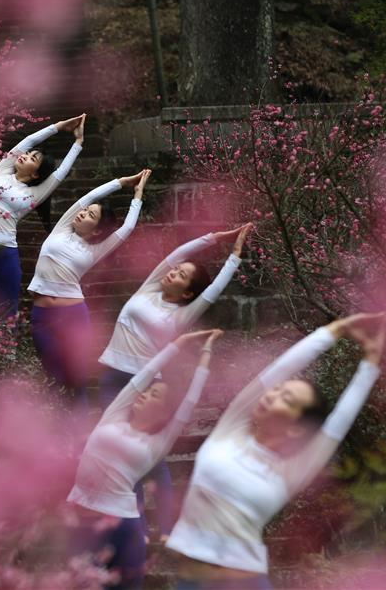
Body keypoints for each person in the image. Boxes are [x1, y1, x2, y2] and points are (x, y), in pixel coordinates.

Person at [165, 312, 386, 590]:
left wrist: (370, 362)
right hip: (190, 581)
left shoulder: (292, 470)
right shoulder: (229, 432)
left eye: (287, 399)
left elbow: (339, 423)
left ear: (296, 428)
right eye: (277, 390)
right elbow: (278, 370)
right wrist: (335, 329)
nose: (272, 394)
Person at [96, 223, 252, 541]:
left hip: (145, 384)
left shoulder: (182, 314)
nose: (173, 274)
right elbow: (175, 256)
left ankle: (167, 528)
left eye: (181, 277)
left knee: (151, 457)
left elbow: (212, 291)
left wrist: (234, 257)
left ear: (187, 294)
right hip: (112, 379)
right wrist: (212, 239)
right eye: (176, 272)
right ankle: (136, 527)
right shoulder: (149, 288)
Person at [67, 329, 224, 590]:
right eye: (147, 392)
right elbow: (141, 379)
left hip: (124, 528)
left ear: (164, 413)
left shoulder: (156, 444)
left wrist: (206, 353)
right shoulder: (115, 415)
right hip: (84, 519)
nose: (143, 394)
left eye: (154, 396)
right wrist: (178, 344)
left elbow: (190, 401)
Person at [28, 169, 152, 408]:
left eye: (89, 215)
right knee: (55, 377)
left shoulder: (95, 250)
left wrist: (138, 195)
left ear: (96, 230)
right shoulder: (62, 228)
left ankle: (79, 434)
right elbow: (86, 198)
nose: (82, 213)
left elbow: (126, 229)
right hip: (42, 316)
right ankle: (58, 432)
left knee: (79, 379)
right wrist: (120, 181)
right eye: (85, 211)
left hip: (72, 314)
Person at [0, 114, 86, 319]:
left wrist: (78, 142)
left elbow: (60, 172)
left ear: (36, 174)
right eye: (28, 154)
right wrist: (58, 126)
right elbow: (28, 141)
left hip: (5, 253)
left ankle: (7, 352)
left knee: (6, 309)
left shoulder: (34, 194)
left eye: (33, 159)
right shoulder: (1, 171)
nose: (25, 155)